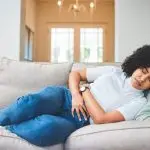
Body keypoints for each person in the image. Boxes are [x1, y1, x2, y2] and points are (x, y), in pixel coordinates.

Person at [0, 45, 150, 147]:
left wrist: (84, 90)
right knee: (31, 101)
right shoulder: (114, 71)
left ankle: (8, 130)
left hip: (80, 119)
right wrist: (76, 95)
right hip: (66, 96)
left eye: (149, 79)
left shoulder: (139, 102)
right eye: (143, 71)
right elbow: (75, 74)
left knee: (47, 127)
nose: (142, 79)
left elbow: (100, 118)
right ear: (137, 64)